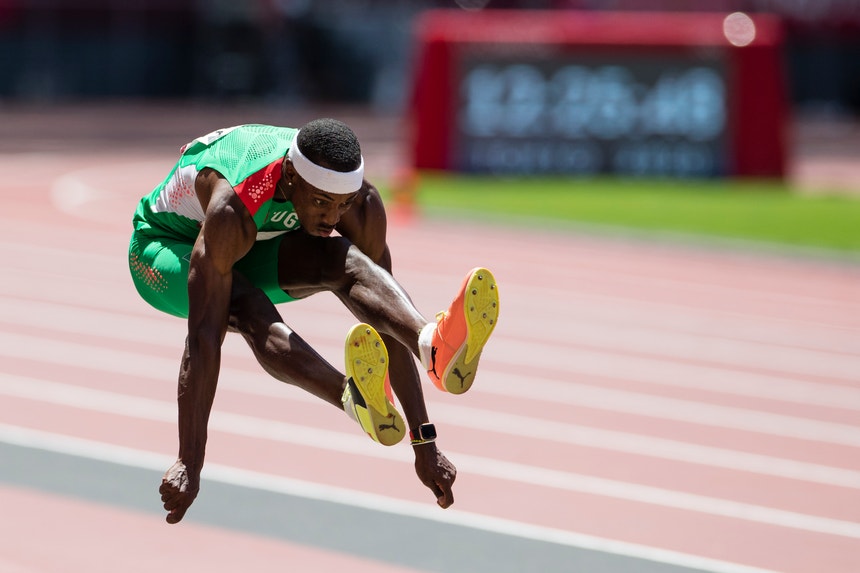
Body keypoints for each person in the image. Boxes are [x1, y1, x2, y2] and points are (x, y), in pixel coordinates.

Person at [127, 119, 500, 524]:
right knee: (247, 305)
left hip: (254, 240)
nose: (331, 216)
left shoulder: (362, 203)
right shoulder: (233, 203)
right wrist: (189, 461)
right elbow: (203, 337)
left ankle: (432, 341)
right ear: (290, 175)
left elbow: (385, 322)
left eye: (341, 204)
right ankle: (349, 396)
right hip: (163, 248)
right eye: (321, 202)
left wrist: (423, 440)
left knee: (349, 262)